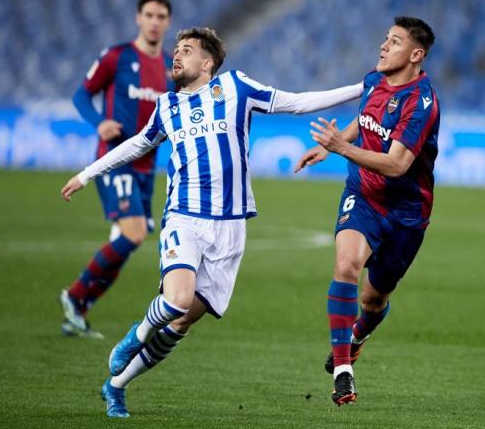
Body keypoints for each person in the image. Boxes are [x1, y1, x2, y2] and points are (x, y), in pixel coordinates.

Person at [61, 27, 363, 417]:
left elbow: (298, 102)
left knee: (183, 322)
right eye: (176, 50)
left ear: (207, 64)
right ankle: (134, 336)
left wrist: (361, 88)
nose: (176, 56)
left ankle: (116, 385)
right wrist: (87, 174)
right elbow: (138, 143)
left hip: (231, 227)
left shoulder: (236, 88)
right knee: (176, 300)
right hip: (184, 216)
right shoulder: (167, 106)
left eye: (186, 50)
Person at [294, 16, 440, 406]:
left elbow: (396, 165)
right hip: (363, 196)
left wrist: (340, 148)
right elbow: (365, 120)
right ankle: (343, 372)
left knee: (373, 301)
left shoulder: (421, 103)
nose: (383, 46)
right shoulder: (374, 81)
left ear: (415, 54)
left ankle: (357, 338)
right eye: (385, 39)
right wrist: (331, 144)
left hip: (407, 213)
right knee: (346, 267)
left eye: (393, 42)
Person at [59, 0, 175, 338]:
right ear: (138, 18)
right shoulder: (117, 57)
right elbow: (82, 94)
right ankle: (75, 294)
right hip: (114, 160)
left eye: (161, 16)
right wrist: (99, 122)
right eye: (149, 15)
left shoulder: (170, 68)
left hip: (146, 166)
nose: (155, 21)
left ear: (167, 22)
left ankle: (78, 312)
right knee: (134, 233)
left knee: (128, 242)